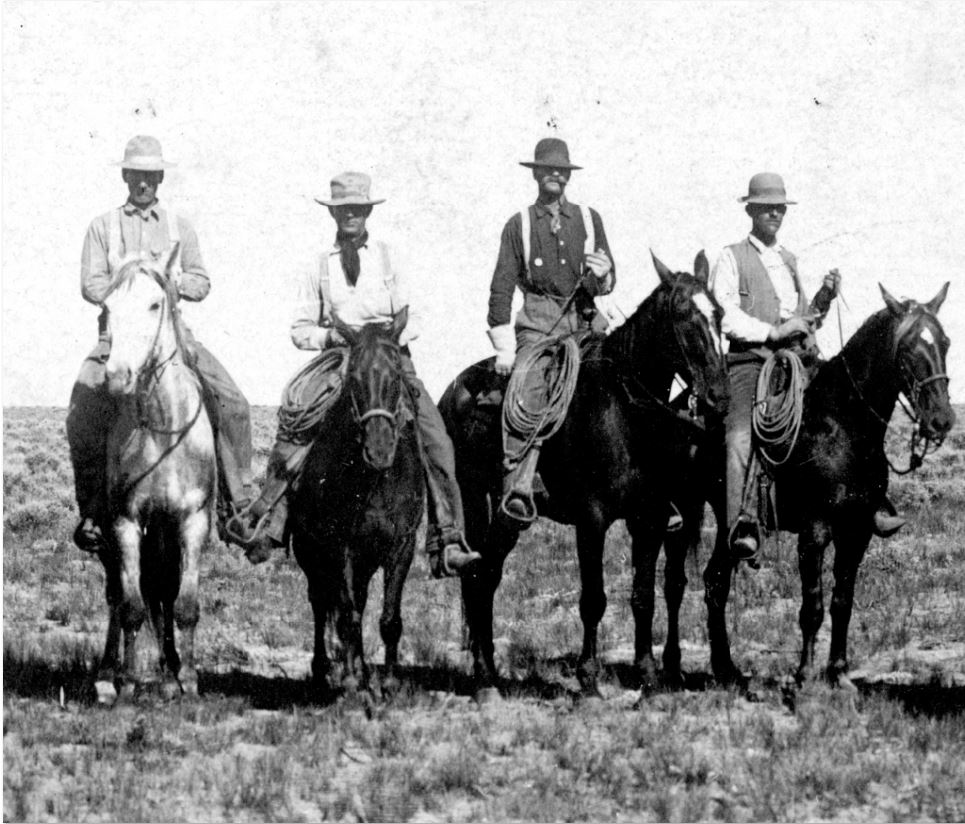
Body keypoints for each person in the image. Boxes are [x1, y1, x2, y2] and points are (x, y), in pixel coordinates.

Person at [228, 171, 481, 577]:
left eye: (357, 209)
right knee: (298, 421)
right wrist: (329, 336)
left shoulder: (387, 256)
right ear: (333, 214)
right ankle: (269, 524)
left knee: (436, 438)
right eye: (343, 209)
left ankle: (447, 539)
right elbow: (299, 328)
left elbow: (412, 315)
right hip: (340, 359)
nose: (351, 216)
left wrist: (383, 337)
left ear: (367, 212)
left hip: (387, 354)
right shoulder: (319, 266)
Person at [67, 135, 254, 553]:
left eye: (150, 175)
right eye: (136, 174)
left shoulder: (178, 226)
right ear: (125, 175)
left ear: (160, 177)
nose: (143, 183)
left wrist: (171, 285)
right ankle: (94, 510)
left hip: (172, 336)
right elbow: (91, 283)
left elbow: (201, 280)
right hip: (116, 338)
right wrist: (130, 287)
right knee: (82, 408)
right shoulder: (103, 226)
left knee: (233, 403)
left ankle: (235, 504)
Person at [710, 171, 904, 568]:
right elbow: (725, 317)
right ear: (751, 210)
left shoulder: (788, 260)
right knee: (738, 439)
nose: (774, 214)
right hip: (753, 363)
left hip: (801, 361)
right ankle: (742, 524)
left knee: (852, 413)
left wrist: (823, 297)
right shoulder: (731, 257)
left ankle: (870, 498)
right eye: (766, 208)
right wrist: (774, 331)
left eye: (779, 208)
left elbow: (803, 319)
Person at [487, 138, 615, 526]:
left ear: (569, 175)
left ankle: (644, 485)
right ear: (536, 173)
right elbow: (501, 287)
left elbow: (610, 280)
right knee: (531, 389)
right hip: (539, 325)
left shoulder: (589, 219)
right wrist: (504, 344)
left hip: (585, 323)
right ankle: (520, 486)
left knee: (620, 381)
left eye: (562, 169)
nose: (555, 175)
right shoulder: (520, 224)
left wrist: (603, 273)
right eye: (548, 169)